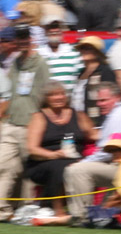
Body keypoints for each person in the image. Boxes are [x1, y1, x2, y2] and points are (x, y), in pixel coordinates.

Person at [63, 82, 121, 224]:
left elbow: (107, 152)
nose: (100, 104)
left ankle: (81, 216)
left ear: (117, 97)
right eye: (98, 101)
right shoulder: (118, 113)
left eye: (104, 100)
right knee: (78, 169)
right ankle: (89, 214)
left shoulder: (118, 116)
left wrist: (83, 162)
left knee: (76, 170)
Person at [23, 81, 95, 220]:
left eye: (61, 93)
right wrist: (53, 154)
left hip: (75, 158)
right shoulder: (39, 117)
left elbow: (93, 134)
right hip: (43, 162)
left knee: (76, 166)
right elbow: (32, 149)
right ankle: (57, 210)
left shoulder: (78, 115)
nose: (59, 97)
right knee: (60, 166)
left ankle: (85, 211)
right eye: (53, 95)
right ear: (46, 98)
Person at [0, 25, 51, 221]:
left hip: (30, 124)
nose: (22, 41)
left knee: (29, 170)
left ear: (30, 39)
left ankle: (27, 210)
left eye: (24, 38)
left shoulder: (40, 63)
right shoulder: (15, 63)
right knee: (3, 165)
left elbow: (45, 95)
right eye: (18, 38)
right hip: (11, 123)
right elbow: (10, 93)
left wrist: (38, 122)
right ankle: (3, 209)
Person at [73, 36, 117, 127]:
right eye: (82, 48)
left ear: (97, 52)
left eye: (88, 48)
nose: (84, 51)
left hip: (98, 124)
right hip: (81, 124)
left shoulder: (105, 71)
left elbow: (111, 100)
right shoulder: (81, 73)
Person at [36, 15, 83, 93]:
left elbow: (81, 78)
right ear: (45, 32)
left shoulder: (73, 52)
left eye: (57, 27)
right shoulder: (38, 53)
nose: (54, 31)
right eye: (50, 28)